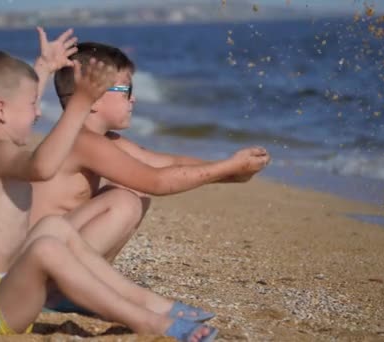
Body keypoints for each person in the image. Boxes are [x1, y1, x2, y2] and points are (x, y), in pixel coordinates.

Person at [0, 28, 219, 341]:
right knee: (47, 248)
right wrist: (79, 104)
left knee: (55, 228)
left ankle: (152, 304)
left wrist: (44, 66)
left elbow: (16, 99)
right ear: (0, 110)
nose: (39, 112)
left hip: (9, 287)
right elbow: (42, 166)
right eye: (32, 106)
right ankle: (146, 321)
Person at [31, 42, 271, 265]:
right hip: (28, 257)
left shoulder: (101, 139)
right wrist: (228, 167)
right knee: (123, 201)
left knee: (134, 190)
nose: (133, 98)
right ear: (92, 98)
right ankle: (66, 286)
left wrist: (232, 170)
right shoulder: (81, 140)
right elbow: (157, 181)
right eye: (126, 89)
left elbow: (166, 163)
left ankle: (88, 276)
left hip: (47, 245)